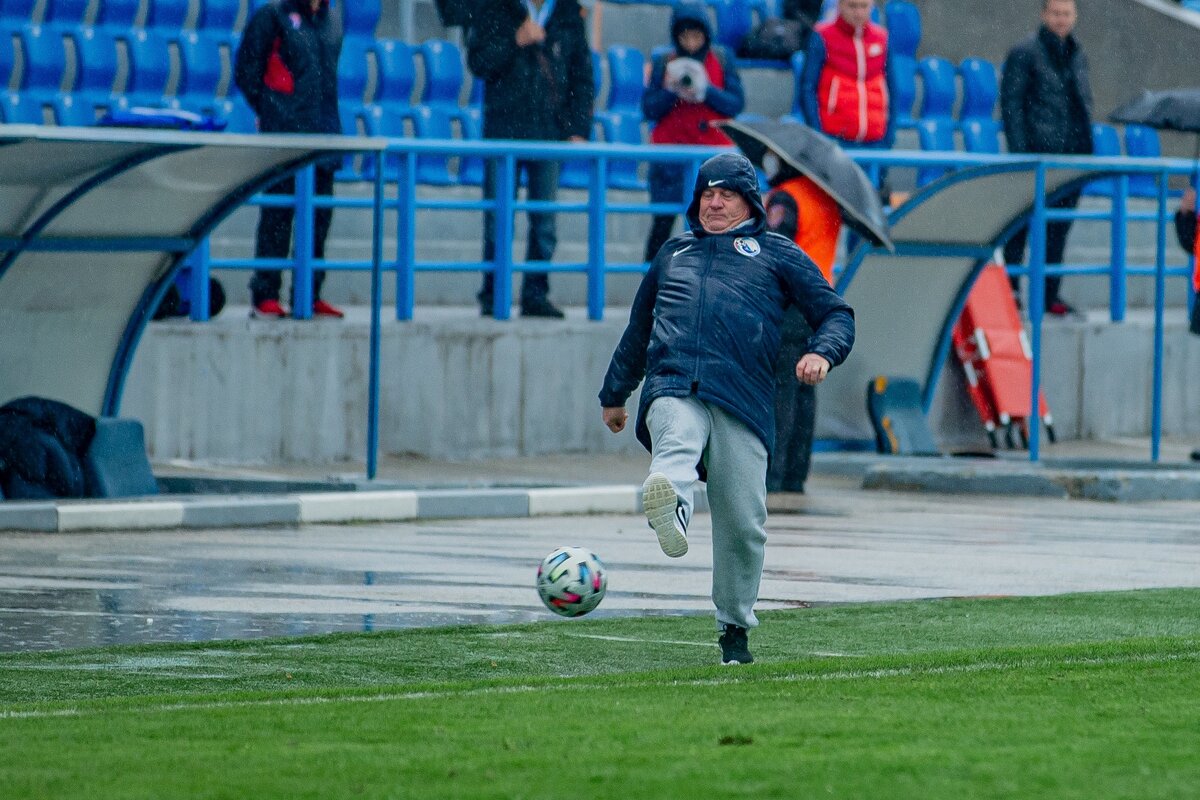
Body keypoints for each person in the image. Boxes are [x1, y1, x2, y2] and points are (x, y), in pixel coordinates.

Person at [598, 153, 855, 665]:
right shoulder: (673, 253)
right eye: (706, 195)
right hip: (672, 384)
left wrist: (821, 353)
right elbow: (638, 328)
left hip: (743, 397)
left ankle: (734, 629)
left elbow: (836, 314)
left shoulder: (777, 253)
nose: (713, 203)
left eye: (725, 195)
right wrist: (614, 393)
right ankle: (670, 499)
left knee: (743, 522)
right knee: (676, 434)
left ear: (749, 202)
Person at [467, 0, 595, 319]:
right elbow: (479, 62)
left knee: (545, 222)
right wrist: (514, 41)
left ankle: (536, 295)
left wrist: (577, 128)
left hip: (548, 133)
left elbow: (582, 74)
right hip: (503, 131)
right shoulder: (497, 9)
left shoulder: (568, 12)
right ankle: (493, 293)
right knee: (498, 219)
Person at [234, 0, 345, 320]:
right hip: (285, 136)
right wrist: (273, 110)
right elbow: (247, 70)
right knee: (278, 214)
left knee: (319, 218)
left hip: (324, 134)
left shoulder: (332, 20)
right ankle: (265, 293)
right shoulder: (273, 16)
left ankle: (309, 293)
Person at [1000, 0, 1093, 317]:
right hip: (1036, 158)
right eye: (1055, 13)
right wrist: (1022, 155)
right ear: (1043, 15)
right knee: (1020, 227)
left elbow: (1082, 104)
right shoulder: (1024, 51)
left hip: (1071, 160)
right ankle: (1011, 290)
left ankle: (1049, 294)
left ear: (1075, 16)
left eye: (1066, 13)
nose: (1060, 19)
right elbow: (1011, 106)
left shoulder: (1078, 54)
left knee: (1059, 230)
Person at [641, 1, 745, 262]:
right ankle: (652, 285)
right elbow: (649, 109)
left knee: (713, 225)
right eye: (685, 36)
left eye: (696, 36)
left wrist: (706, 91)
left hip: (710, 158)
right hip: (670, 158)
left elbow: (735, 104)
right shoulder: (664, 62)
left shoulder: (722, 60)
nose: (690, 42)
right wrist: (672, 91)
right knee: (662, 224)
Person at [763, 163, 843, 492]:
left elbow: (776, 246)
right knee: (806, 389)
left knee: (782, 390)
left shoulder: (788, 197)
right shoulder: (828, 198)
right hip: (820, 300)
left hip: (790, 301)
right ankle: (796, 473)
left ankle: (774, 474)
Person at [800, 0, 896, 153]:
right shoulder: (822, 36)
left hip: (875, 140)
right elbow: (808, 88)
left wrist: (888, 137)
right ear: (840, 5)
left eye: (863, 6)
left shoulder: (881, 38)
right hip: (835, 139)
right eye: (852, 6)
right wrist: (819, 135)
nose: (858, 12)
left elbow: (892, 89)